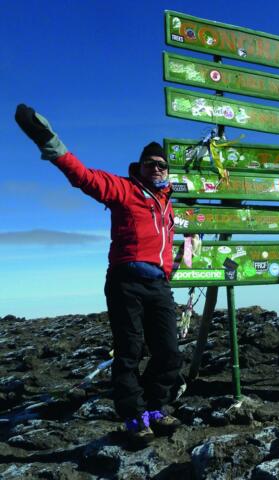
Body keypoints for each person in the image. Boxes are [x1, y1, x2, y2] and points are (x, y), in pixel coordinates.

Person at [15, 104, 182, 443]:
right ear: (140, 166)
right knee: (130, 351)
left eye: (162, 165)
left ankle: (156, 407)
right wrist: (51, 143)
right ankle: (134, 416)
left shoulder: (167, 202)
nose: (157, 168)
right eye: (151, 163)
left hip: (159, 285)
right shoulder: (123, 189)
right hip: (126, 282)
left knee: (168, 351)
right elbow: (84, 178)